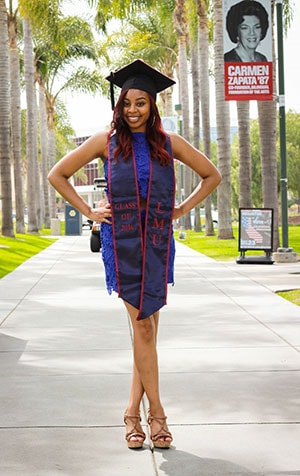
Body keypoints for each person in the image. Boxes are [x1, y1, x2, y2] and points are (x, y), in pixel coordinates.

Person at [48, 59, 221, 450]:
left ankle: (130, 412)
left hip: (158, 242)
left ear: (152, 105)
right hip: (122, 243)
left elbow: (212, 175)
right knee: (143, 327)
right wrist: (91, 211)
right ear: (119, 106)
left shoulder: (169, 143)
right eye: (127, 103)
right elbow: (57, 174)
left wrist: (181, 209)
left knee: (147, 332)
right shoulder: (104, 142)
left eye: (140, 103)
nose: (133, 110)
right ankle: (157, 415)